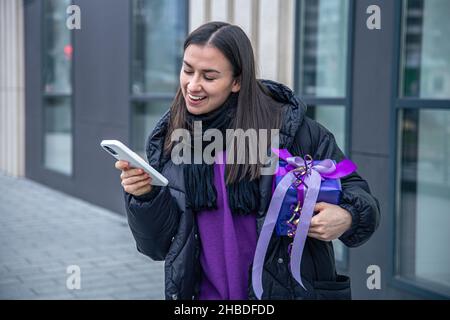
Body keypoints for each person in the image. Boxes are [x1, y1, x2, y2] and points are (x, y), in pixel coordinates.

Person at [115, 21, 380, 300]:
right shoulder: (169, 139)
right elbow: (156, 246)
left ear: (237, 81)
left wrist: (348, 216)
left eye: (209, 76)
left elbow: (358, 192)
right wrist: (145, 197)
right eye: (187, 70)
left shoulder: (292, 131)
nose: (192, 85)